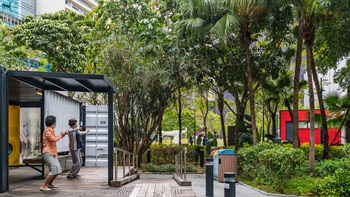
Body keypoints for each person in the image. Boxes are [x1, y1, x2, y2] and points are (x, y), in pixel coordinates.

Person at [40, 115, 67, 191]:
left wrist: (62, 135)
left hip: (52, 153)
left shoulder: (51, 130)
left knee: (58, 169)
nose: (56, 123)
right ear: (53, 123)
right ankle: (44, 186)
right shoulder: (47, 131)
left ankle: (49, 184)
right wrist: (61, 136)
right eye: (55, 122)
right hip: (48, 153)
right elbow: (53, 139)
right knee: (54, 169)